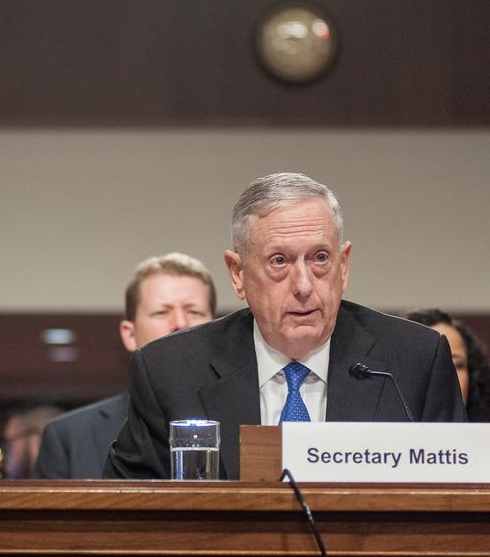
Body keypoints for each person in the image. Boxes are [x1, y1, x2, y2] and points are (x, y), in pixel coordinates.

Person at [105, 172, 466, 480]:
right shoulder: (170, 371)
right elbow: (127, 517)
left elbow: (457, 505)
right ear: (238, 274)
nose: (304, 285)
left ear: (344, 265)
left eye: (320, 258)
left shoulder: (415, 361)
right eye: (280, 261)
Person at [34, 252, 217, 479]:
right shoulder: (69, 436)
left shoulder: (248, 420)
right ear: (129, 335)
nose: (180, 323)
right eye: (162, 312)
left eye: (194, 312)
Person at [406, 308, 490, 482]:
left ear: (474, 376)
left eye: (455, 363)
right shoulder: (372, 462)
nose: (442, 374)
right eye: (426, 363)